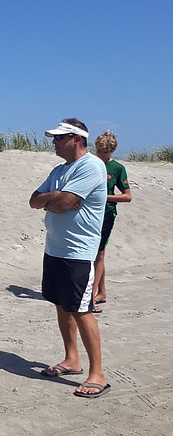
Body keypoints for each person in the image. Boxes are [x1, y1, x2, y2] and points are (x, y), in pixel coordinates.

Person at [29, 119, 110, 399]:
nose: (54, 142)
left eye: (59, 138)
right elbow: (34, 200)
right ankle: (72, 359)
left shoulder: (91, 166)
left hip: (78, 251)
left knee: (81, 309)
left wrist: (55, 201)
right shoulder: (59, 170)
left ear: (77, 139)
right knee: (62, 305)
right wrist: (54, 196)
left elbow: (63, 204)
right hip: (55, 249)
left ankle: (97, 373)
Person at [92, 130, 131, 311]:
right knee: (97, 254)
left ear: (112, 151)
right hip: (91, 213)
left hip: (107, 213)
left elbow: (127, 196)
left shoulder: (117, 168)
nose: (103, 155)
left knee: (98, 253)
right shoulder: (90, 164)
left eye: (106, 152)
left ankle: (91, 296)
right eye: (100, 151)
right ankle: (102, 292)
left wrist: (106, 197)